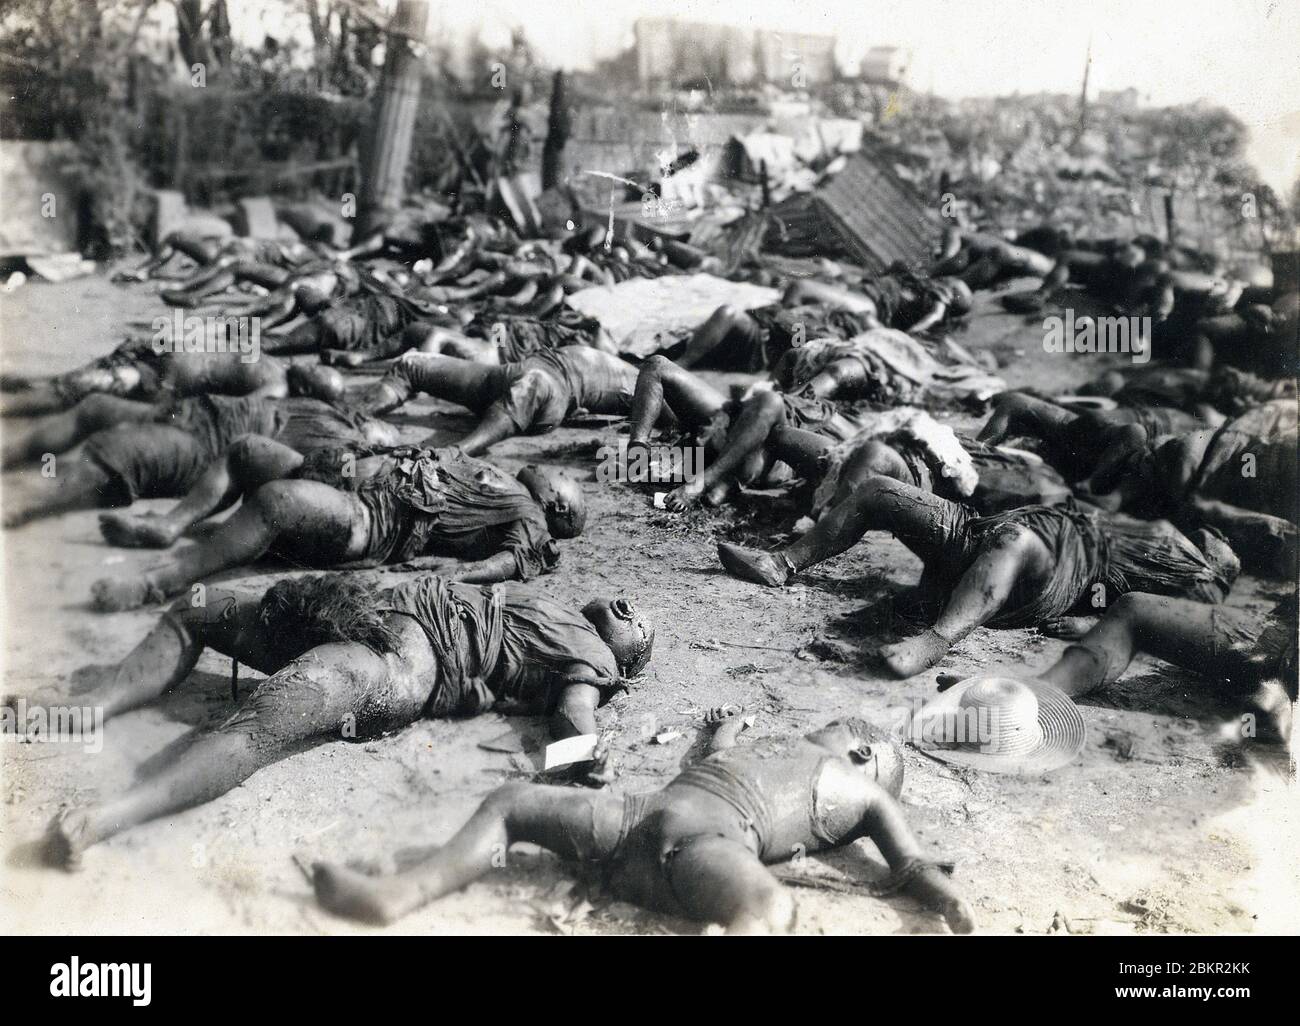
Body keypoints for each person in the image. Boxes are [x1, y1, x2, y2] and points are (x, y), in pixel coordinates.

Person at [36, 573, 654, 869]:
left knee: (257, 730)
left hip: (407, 655)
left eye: (639, 624)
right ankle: (88, 709)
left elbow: (577, 721)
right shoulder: (543, 601)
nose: (629, 605)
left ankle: (98, 823)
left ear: (623, 664)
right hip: (360, 607)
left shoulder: (593, 661)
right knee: (196, 607)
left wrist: (578, 762)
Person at [310, 708, 975, 934]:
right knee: (514, 798)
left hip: (697, 845)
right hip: (641, 820)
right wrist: (722, 732)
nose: (818, 730)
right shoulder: (777, 751)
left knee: (770, 904)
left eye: (838, 731)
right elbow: (714, 760)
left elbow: (909, 861)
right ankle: (395, 896)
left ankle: (403, 892)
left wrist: (946, 899)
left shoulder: (863, 793)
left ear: (862, 754)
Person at [716, 480, 1240, 678]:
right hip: (989, 533)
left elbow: (1154, 623)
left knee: (1018, 542)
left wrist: (1089, 623)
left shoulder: (1198, 574)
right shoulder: (1168, 531)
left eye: (1220, 545)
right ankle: (780, 565)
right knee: (877, 490)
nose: (1213, 538)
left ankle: (935, 642)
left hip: (1049, 574)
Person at [88, 448, 586, 611]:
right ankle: (168, 526)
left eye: (561, 479)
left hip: (373, 518)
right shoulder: (497, 470)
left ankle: (156, 582)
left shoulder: (529, 516)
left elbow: (510, 562)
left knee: (275, 502)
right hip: (349, 470)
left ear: (559, 507)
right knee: (245, 451)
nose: (552, 470)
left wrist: (449, 581)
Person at [2, 395, 399, 527]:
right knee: (95, 407)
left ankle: (17, 504)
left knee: (114, 451)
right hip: (196, 412)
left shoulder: (340, 453)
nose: (373, 429)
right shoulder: (327, 409)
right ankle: (9, 454)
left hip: (203, 451)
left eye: (380, 438)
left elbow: (289, 484)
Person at [988, 592, 1297, 744]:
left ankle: (1022, 702)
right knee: (1134, 609)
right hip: (1280, 634)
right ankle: (1031, 696)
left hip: (1284, 652)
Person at [352, 345, 638, 455]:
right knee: (411, 363)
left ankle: (454, 453)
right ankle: (350, 416)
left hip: (547, 388)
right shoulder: (637, 371)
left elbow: (669, 408)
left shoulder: (646, 380)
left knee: (532, 383)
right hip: (512, 373)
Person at [0, 337, 290, 418]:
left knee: (86, 384)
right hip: (165, 359)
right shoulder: (270, 361)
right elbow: (212, 344)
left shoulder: (276, 385)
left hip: (166, 382)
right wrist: (152, 342)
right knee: (75, 379)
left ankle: (10, 406)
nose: (318, 368)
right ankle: (25, 385)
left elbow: (237, 413)